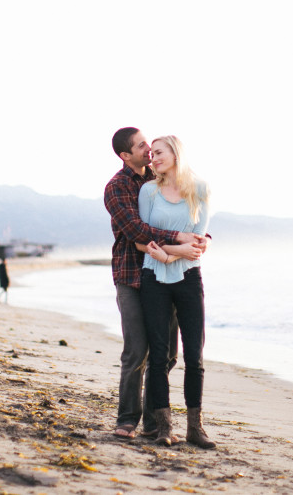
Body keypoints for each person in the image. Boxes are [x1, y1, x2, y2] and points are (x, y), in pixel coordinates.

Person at [104, 127, 206, 440]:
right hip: (131, 276)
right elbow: (137, 230)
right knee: (137, 351)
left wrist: (200, 240)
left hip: (165, 276)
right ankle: (127, 419)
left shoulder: (160, 177)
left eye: (150, 143)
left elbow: (187, 218)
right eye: (141, 145)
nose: (149, 149)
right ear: (125, 155)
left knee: (168, 354)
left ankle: (154, 422)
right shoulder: (117, 187)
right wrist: (179, 240)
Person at [138, 135, 215, 449]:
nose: (153, 158)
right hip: (153, 278)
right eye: (151, 153)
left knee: (194, 356)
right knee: (158, 357)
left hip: (188, 279)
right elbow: (142, 241)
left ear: (175, 153)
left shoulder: (200, 189)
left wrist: (171, 255)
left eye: (158, 152)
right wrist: (173, 252)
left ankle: (195, 429)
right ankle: (163, 429)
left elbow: (198, 245)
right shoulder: (148, 191)